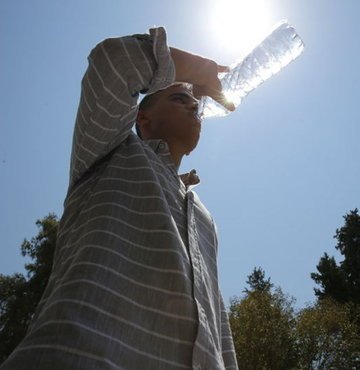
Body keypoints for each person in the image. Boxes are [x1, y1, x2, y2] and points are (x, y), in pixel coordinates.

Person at [1, 27, 238, 370]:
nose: (193, 106)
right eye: (178, 98)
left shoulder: (203, 217)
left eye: (192, 102)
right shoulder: (110, 150)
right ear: (142, 118)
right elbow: (111, 62)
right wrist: (198, 69)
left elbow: (218, 323)